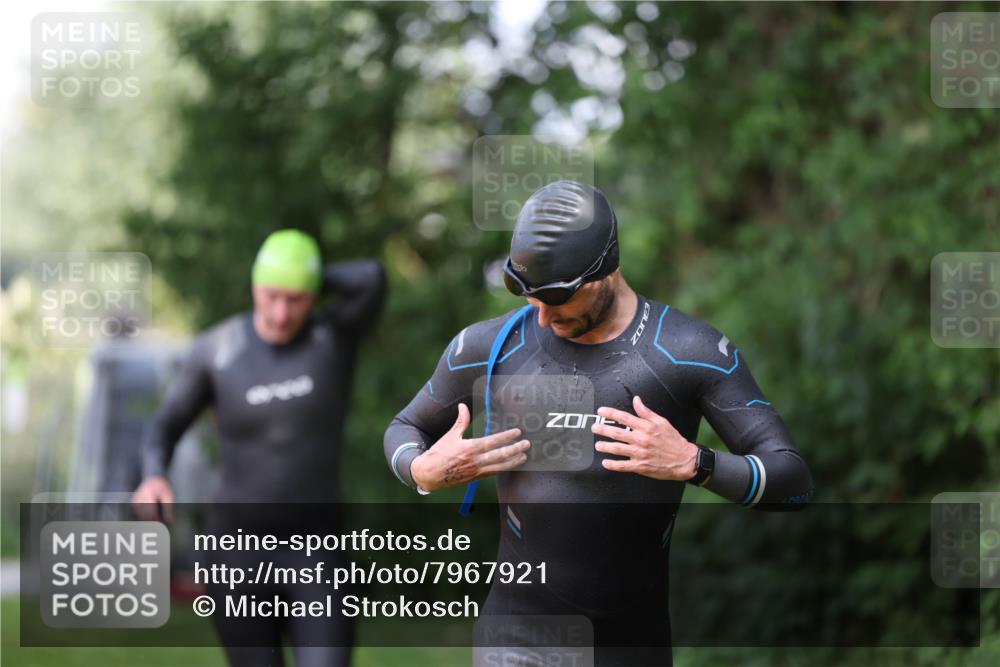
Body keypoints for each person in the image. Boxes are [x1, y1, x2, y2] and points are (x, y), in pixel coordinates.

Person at [383, 180, 813, 666]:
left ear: (603, 272)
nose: (541, 319)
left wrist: (696, 463)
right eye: (530, 298)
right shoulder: (489, 348)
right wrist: (420, 470)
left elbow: (793, 481)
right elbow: (405, 427)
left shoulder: (688, 352)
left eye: (556, 299)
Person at [133, 229, 386, 667]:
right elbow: (164, 426)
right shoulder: (216, 350)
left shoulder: (333, 337)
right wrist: (154, 474)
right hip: (235, 553)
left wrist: (305, 270)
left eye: (296, 298)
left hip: (317, 551)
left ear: (313, 296)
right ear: (254, 285)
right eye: (271, 294)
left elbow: (374, 278)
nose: (282, 312)